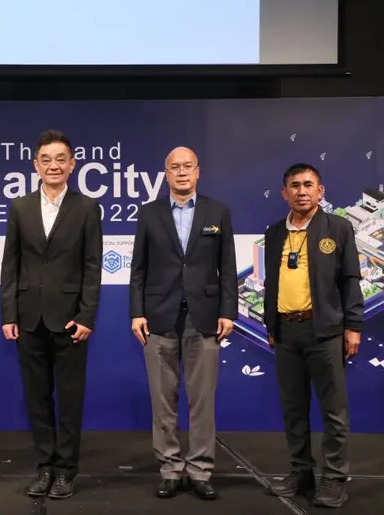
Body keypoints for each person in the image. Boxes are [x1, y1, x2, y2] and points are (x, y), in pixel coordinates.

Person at [129, 146, 236, 501]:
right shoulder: (149, 213)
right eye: (175, 167)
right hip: (158, 317)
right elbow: (138, 269)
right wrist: (137, 312)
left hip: (204, 317)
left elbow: (227, 267)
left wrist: (228, 311)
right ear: (166, 174)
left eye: (188, 166)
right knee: (163, 400)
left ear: (198, 171)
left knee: (202, 401)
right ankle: (171, 469)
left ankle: (200, 470)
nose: (182, 172)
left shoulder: (217, 211)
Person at [0, 129, 102, 499]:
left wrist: (87, 316)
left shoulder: (87, 207)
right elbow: (10, 264)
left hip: (71, 320)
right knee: (37, 399)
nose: (53, 165)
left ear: (72, 164)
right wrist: (8, 314)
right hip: (29, 319)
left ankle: (66, 471)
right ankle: (44, 468)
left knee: (70, 400)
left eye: (60, 159)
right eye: (46, 160)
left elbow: (93, 267)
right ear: (36, 165)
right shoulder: (20, 207)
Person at [264, 163, 362, 508]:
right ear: (284, 193)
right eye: (295, 185)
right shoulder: (275, 233)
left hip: (325, 331)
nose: (302, 191)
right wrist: (271, 326)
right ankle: (301, 470)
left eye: (308, 185)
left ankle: (334, 477)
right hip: (285, 332)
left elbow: (350, 280)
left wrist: (353, 326)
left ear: (320, 191)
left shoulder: (338, 227)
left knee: (333, 409)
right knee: (294, 408)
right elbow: (271, 283)